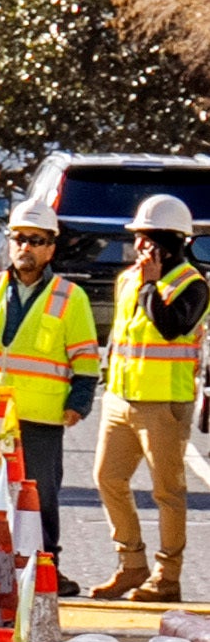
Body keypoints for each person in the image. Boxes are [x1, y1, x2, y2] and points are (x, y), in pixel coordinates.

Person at [0, 197, 102, 572]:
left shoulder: (71, 297)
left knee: (40, 497)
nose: (26, 247)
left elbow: (86, 360)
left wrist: (79, 402)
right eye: (19, 238)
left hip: (43, 415)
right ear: (9, 242)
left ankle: (45, 570)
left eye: (36, 240)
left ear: (50, 248)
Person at [96, 191, 209, 601]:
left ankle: (167, 576)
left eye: (147, 238)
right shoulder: (128, 278)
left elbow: (170, 326)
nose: (139, 245)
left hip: (164, 404)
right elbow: (121, 335)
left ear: (171, 243)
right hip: (121, 398)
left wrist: (149, 285)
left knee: (167, 492)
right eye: (138, 237)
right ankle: (132, 565)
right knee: (107, 478)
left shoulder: (193, 285)